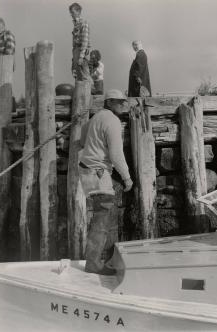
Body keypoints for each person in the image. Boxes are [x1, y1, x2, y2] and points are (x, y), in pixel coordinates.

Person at [79, 89, 133, 275]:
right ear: (109, 102)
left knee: (106, 214)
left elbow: (81, 141)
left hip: (87, 170)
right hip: (98, 171)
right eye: (119, 102)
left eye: (123, 102)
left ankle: (107, 259)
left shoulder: (95, 118)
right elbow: (116, 155)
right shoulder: (112, 121)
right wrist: (127, 178)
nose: (122, 105)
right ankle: (93, 263)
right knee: (102, 217)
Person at [69, 2, 91, 81]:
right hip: (75, 51)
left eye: (73, 12)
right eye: (70, 13)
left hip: (81, 51)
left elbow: (85, 41)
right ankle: (80, 92)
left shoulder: (83, 23)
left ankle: (89, 92)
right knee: (77, 75)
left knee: (84, 75)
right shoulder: (76, 24)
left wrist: (81, 56)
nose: (71, 14)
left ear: (78, 12)